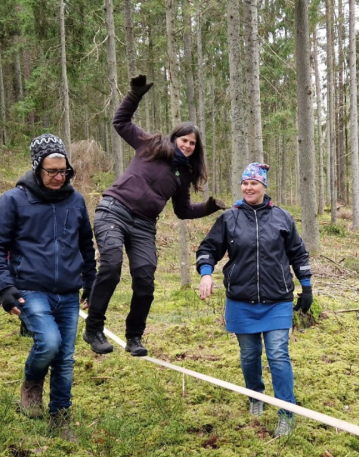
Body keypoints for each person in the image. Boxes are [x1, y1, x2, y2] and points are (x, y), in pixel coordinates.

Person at [83, 75, 225, 357]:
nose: (188, 146)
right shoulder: (151, 145)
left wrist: (208, 207)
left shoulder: (184, 175)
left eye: (192, 143)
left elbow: (182, 211)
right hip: (114, 210)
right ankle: (94, 328)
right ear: (175, 138)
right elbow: (120, 123)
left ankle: (134, 337)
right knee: (111, 266)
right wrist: (134, 95)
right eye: (184, 140)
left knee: (145, 280)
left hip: (144, 226)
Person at [196, 163, 313, 437]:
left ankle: (286, 412)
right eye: (245, 183)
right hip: (241, 300)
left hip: (277, 299)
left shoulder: (282, 218)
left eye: (254, 183)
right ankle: (255, 397)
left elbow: (298, 253)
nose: (249, 187)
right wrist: (206, 273)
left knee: (278, 355)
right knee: (249, 355)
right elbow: (208, 248)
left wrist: (306, 287)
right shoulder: (229, 218)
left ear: (264, 187)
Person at [0, 133, 96, 440]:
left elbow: (85, 244)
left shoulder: (75, 200)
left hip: (67, 291)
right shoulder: (13, 201)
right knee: (49, 343)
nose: (59, 177)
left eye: (63, 171)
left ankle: (60, 419)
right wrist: (4, 288)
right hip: (30, 289)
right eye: (51, 171)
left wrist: (91, 280)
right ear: (36, 167)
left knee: (65, 359)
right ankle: (32, 382)